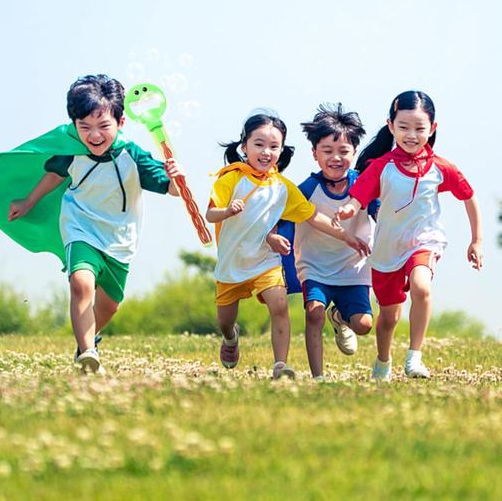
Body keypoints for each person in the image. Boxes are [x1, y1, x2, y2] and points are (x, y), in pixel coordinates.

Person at [0, 74, 183, 374]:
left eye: (103, 126)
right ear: (74, 124)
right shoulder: (70, 150)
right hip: (80, 225)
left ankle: (85, 343)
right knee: (81, 284)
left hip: (120, 237)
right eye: (85, 127)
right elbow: (54, 175)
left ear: (120, 123)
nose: (94, 135)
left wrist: (176, 178)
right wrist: (29, 201)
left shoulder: (134, 156)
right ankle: (89, 354)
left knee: (109, 306)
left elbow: (170, 188)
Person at [206, 111, 370, 380]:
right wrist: (227, 211)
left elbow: (313, 216)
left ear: (281, 151)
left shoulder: (283, 187)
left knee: (279, 304)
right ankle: (231, 338)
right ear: (244, 146)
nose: (266, 152)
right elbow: (210, 214)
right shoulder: (230, 179)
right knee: (225, 321)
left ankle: (280, 365)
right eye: (258, 144)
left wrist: (346, 237)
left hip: (265, 261)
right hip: (232, 263)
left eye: (274, 146)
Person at [333, 91, 483, 381]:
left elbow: (469, 196)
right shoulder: (382, 167)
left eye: (419, 128)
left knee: (421, 287)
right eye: (403, 127)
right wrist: (348, 211)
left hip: (424, 242)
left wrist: (476, 240)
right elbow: (358, 197)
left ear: (433, 129)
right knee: (388, 318)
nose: (411, 135)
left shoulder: (441, 167)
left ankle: (414, 358)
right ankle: (383, 361)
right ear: (391, 127)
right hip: (388, 250)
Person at [268, 104, 377, 380]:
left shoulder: (364, 184)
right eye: (327, 151)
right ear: (315, 154)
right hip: (314, 266)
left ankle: (340, 317)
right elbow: (280, 217)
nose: (336, 158)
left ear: (354, 152)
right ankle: (318, 377)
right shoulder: (306, 189)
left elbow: (383, 213)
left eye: (343, 151)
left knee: (364, 325)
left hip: (354, 268)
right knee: (314, 313)